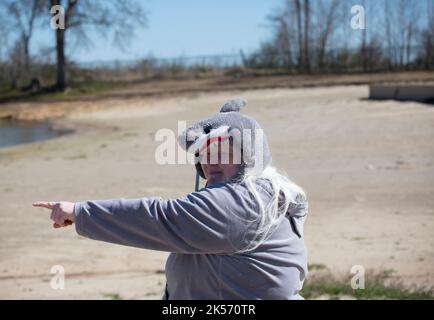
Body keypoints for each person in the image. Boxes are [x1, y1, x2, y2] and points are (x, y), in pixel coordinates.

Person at [33, 99, 309, 299]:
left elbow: (160, 219)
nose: (210, 161)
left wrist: (80, 212)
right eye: (203, 154)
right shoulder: (263, 194)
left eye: (222, 151)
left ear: (250, 155)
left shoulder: (242, 204)